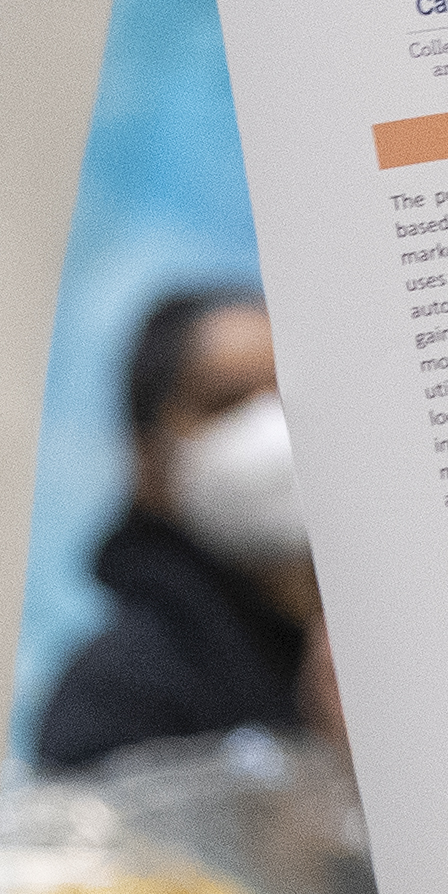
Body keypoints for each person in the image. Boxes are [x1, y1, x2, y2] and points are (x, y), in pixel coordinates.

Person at [37, 287, 332, 767]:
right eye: (225, 402)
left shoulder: (401, 622)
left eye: (291, 397)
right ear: (148, 457)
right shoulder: (117, 690)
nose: (273, 430)